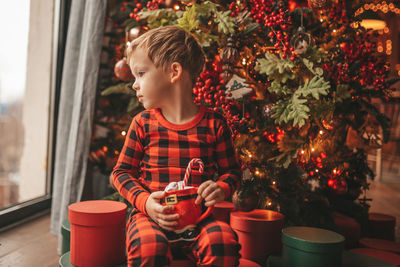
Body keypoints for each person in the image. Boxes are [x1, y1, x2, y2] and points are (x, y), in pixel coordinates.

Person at [112, 25, 242, 267]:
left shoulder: (214, 124)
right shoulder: (142, 123)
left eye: (140, 74)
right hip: (151, 217)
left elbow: (233, 172)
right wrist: (145, 203)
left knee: (222, 243)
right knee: (149, 248)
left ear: (173, 72)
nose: (134, 85)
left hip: (200, 218)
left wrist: (221, 188)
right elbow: (121, 174)